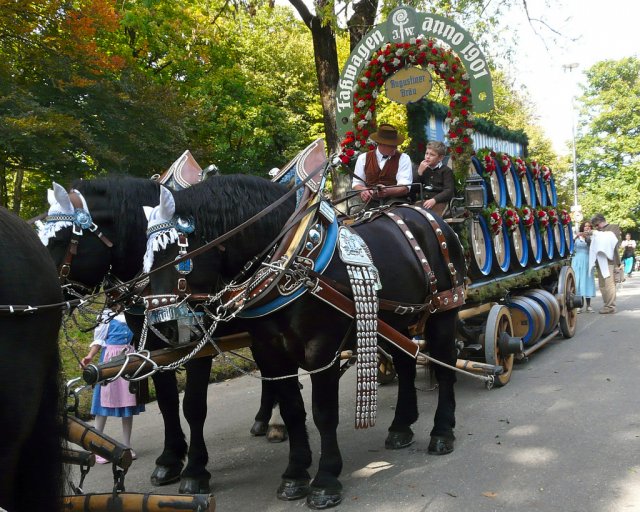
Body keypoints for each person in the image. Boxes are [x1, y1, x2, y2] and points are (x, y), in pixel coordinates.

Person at [81, 306, 145, 463]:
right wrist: (90, 356)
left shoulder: (133, 313)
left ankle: (127, 446)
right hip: (110, 361)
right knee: (102, 404)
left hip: (129, 361)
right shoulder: (106, 316)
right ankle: (96, 446)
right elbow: (99, 341)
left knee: (128, 404)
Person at [351, 124, 413, 209]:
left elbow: (405, 187)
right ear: (381, 144)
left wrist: (387, 191)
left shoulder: (403, 158)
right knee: (353, 220)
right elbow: (357, 184)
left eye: (396, 145)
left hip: (396, 203)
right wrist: (363, 191)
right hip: (370, 204)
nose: (395, 147)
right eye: (392, 145)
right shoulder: (363, 158)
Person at [589, 213, 621, 314]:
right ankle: (606, 304)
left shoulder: (614, 227)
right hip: (599, 261)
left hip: (610, 261)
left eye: (597, 225)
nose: (596, 227)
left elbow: (614, 241)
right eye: (595, 226)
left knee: (609, 284)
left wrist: (595, 233)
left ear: (601, 221)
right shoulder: (596, 232)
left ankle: (611, 306)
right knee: (602, 285)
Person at [414, 141, 455, 216]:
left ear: (440, 158)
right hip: (421, 203)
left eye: (432, 155)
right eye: (426, 153)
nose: (428, 157)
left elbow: (449, 191)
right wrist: (419, 173)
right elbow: (414, 188)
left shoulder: (446, 171)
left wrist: (434, 200)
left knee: (431, 220)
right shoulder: (421, 168)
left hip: (439, 203)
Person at [572, 221, 596, 313]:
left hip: (587, 260)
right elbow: (570, 246)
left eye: (589, 226)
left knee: (587, 281)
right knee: (578, 281)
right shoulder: (577, 235)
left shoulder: (592, 237)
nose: (587, 228)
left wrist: (586, 237)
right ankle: (579, 305)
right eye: (585, 226)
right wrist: (576, 236)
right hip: (577, 260)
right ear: (582, 227)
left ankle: (589, 305)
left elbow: (592, 246)